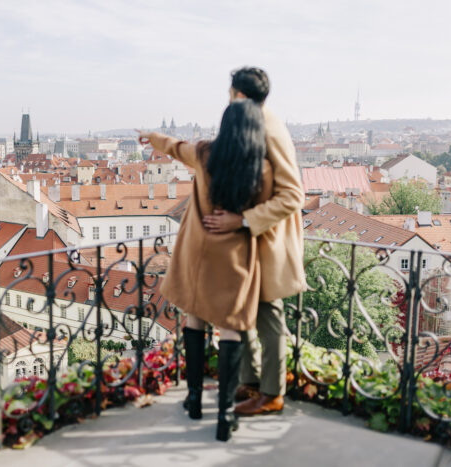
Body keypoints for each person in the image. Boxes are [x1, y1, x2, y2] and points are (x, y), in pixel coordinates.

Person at [137, 98, 272, 442]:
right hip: (235, 255)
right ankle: (225, 415)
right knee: (230, 328)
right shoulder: (261, 168)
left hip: (197, 252)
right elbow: (269, 212)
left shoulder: (206, 153)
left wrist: (151, 136)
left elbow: (174, 147)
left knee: (194, 319)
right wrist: (240, 221)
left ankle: (194, 399)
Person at [202, 67, 305, 416]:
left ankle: (272, 394)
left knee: (268, 318)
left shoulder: (269, 127)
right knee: (242, 312)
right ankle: (251, 383)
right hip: (250, 242)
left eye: (230, 93)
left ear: (239, 95)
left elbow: (293, 195)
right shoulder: (257, 120)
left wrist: (243, 220)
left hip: (266, 241)